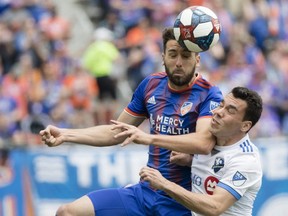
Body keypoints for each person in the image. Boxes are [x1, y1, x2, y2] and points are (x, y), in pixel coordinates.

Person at [39, 27, 223, 216]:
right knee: (67, 212)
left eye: (185, 56)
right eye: (172, 54)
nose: (178, 62)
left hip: (182, 203)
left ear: (197, 60)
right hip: (145, 194)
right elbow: (116, 132)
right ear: (163, 57)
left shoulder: (209, 93)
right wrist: (65, 134)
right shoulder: (151, 85)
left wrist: (150, 139)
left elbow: (203, 142)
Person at [112, 86, 263, 216]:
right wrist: (191, 161)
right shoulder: (211, 141)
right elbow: (217, 167)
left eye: (230, 111)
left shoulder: (246, 160)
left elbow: (214, 207)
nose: (218, 112)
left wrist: (164, 183)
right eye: (221, 105)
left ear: (245, 126)